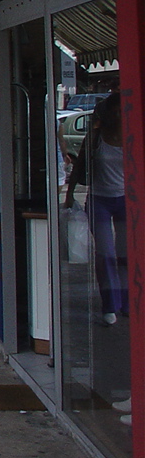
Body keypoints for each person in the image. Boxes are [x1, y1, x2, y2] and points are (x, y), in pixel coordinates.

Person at [65, 93, 127, 324]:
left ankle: (128, 302)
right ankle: (110, 305)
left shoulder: (135, 135)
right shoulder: (96, 137)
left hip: (127, 200)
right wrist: (69, 195)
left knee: (127, 253)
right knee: (106, 254)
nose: (121, 115)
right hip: (100, 199)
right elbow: (80, 164)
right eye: (117, 110)